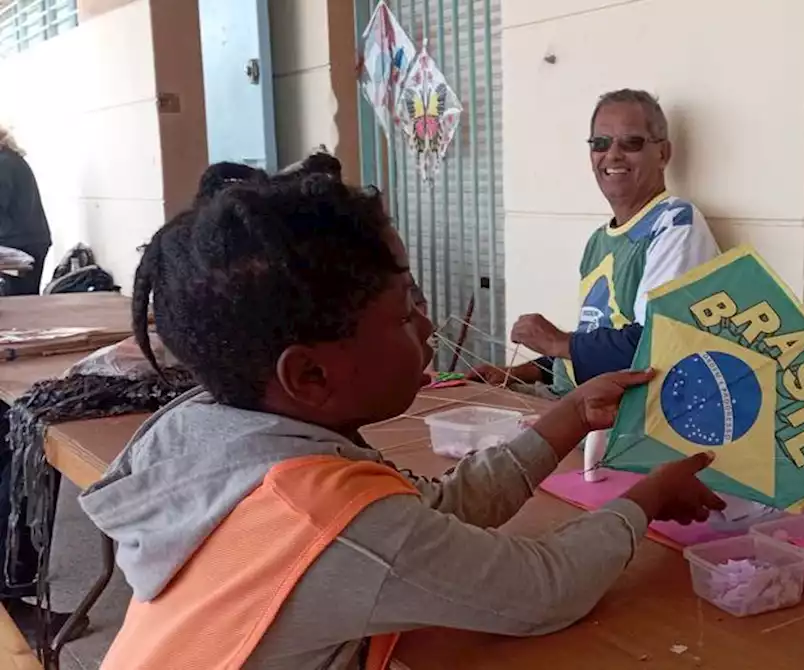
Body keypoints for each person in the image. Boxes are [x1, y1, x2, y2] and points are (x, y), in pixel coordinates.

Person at [79, 175, 725, 669]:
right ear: (309, 376)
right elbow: (546, 589)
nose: (427, 324)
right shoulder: (327, 519)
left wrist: (566, 418)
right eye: (404, 310)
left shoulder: (211, 430)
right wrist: (647, 498)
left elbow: (433, 509)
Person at [467, 89, 720, 396]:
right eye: (600, 143)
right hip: (574, 405)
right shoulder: (600, 240)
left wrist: (558, 340)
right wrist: (518, 373)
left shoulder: (675, 223)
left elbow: (657, 346)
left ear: (663, 154)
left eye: (631, 143)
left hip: (619, 425)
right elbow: (590, 345)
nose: (612, 155)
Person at [0, 125, 52, 296]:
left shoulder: (4, 163)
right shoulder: (10, 158)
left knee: (17, 303)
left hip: (19, 243)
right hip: (28, 239)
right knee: (25, 301)